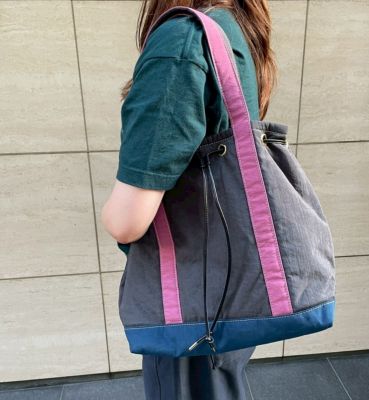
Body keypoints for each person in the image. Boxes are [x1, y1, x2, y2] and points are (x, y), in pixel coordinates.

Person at [101, 0, 278, 398]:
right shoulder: (232, 26)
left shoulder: (183, 42)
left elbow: (126, 221)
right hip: (227, 275)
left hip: (190, 295)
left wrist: (107, 210)